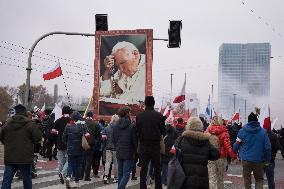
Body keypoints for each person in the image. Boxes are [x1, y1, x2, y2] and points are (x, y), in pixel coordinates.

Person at [0, 104, 42, 189]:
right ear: (24, 112)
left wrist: (8, 143)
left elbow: (1, 136)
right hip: (25, 157)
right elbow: (38, 138)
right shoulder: (30, 123)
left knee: (7, 180)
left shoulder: (7, 123)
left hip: (10, 156)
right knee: (27, 180)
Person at [171, 117, 220, 189]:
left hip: (185, 179)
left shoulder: (181, 140)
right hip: (202, 180)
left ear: (188, 126)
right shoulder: (206, 142)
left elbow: (173, 153)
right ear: (201, 127)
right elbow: (216, 154)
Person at [233, 112, 271, 189]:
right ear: (257, 121)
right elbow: (268, 147)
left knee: (247, 180)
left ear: (248, 121)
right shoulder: (263, 132)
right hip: (259, 160)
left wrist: (234, 154)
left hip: (246, 160)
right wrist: (268, 160)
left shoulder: (242, 131)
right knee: (259, 179)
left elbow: (236, 146)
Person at [136, 96, 165, 189]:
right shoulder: (159, 116)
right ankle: (158, 187)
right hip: (155, 146)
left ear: (145, 103)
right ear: (154, 103)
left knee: (143, 169)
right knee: (157, 169)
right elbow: (163, 132)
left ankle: (142, 187)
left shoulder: (139, 116)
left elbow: (137, 132)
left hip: (144, 145)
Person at [206, 116, 237, 189]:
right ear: (221, 122)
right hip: (221, 157)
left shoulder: (207, 132)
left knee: (212, 178)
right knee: (220, 179)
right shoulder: (224, 132)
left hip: (210, 157)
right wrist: (234, 157)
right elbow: (228, 147)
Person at [64, 111, 89, 188]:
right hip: (80, 149)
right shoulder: (83, 125)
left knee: (70, 163)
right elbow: (88, 136)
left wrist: (68, 144)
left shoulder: (68, 126)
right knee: (78, 165)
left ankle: (68, 177)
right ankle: (76, 182)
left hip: (70, 148)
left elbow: (64, 138)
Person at [113, 106, 137, 189]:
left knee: (120, 173)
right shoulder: (132, 126)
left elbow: (114, 139)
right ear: (127, 113)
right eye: (130, 112)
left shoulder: (116, 125)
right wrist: (135, 150)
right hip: (129, 152)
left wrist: (118, 146)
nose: (130, 114)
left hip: (119, 151)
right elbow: (134, 141)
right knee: (126, 173)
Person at [53, 106, 72, 184]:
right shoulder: (71, 121)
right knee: (69, 161)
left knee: (61, 162)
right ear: (69, 112)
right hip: (69, 144)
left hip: (59, 143)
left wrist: (58, 135)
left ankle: (61, 173)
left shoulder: (58, 121)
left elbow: (53, 132)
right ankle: (63, 173)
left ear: (62, 112)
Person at [263, 118, 280, 189]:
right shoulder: (274, 135)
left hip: (261, 160)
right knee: (270, 180)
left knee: (259, 180)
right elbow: (277, 147)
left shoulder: (261, 134)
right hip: (271, 160)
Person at [102, 114, 119, 184]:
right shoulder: (119, 128)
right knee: (116, 163)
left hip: (108, 147)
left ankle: (105, 176)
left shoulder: (106, 128)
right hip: (116, 148)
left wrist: (105, 145)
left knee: (107, 162)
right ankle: (115, 178)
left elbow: (103, 139)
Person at [83, 111, 100, 181]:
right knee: (89, 160)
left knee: (82, 159)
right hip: (91, 143)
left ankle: (80, 175)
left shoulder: (83, 122)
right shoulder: (96, 124)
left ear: (86, 115)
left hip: (83, 143)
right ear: (92, 116)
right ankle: (87, 176)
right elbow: (98, 135)